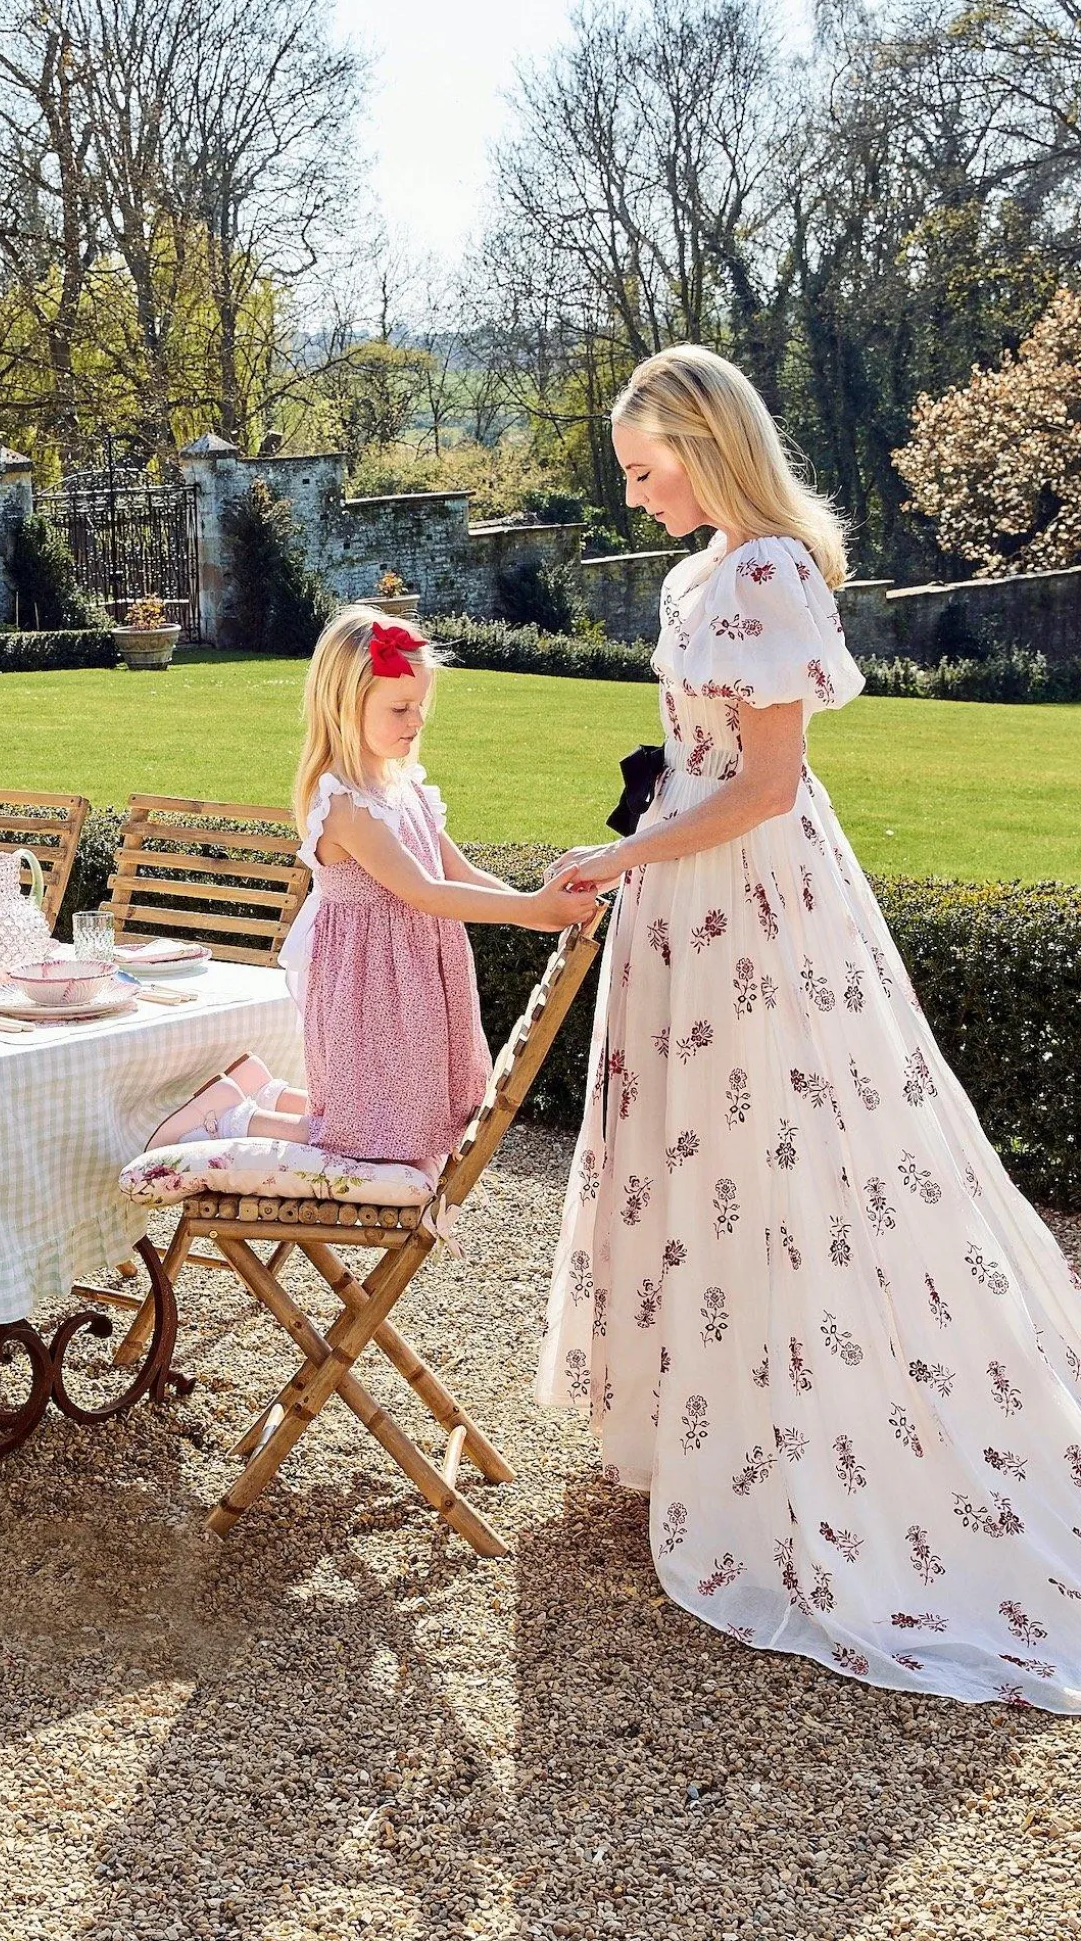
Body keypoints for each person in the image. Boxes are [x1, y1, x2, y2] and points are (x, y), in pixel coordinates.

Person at [536, 343, 1081, 1710]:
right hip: (682, 897)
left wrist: (624, 858)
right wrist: (644, 836)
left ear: (707, 447)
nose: (636, 496)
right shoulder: (694, 573)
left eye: (647, 469)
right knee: (704, 1155)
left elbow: (768, 786)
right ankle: (716, 1433)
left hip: (750, 904)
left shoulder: (769, 568)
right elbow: (700, 753)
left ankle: (814, 1459)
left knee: (779, 1158)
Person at [146, 605, 597, 1177]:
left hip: (416, 983)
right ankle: (235, 1115)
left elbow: (452, 869)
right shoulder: (344, 804)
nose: (415, 722)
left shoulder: (403, 783)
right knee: (367, 1136)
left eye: (421, 709)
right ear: (345, 706)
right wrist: (528, 909)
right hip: (371, 987)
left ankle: (267, 1090)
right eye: (399, 708)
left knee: (409, 1120)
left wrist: (534, 905)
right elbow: (424, 891)